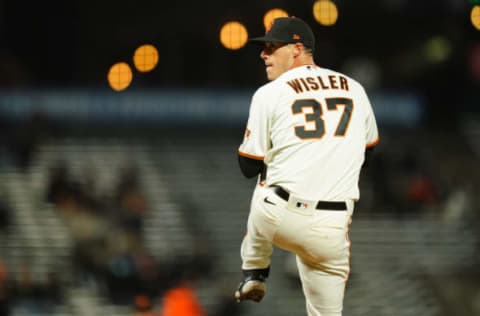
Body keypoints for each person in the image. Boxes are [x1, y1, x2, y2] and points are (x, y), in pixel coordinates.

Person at [234, 17, 379, 316]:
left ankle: (254, 272)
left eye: (272, 47)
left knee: (264, 181)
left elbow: (248, 166)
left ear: (297, 49)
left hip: (280, 215)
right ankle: (255, 270)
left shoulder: (270, 92)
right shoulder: (355, 88)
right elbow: (369, 152)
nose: (264, 54)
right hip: (333, 228)